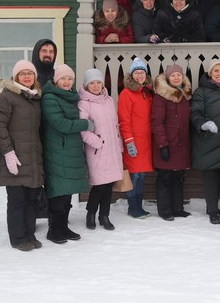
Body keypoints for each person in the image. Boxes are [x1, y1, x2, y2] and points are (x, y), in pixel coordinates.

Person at [0, 60, 45, 252]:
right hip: (15, 157)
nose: (27, 77)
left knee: (32, 199)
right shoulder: (7, 97)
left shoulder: (34, 98)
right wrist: (8, 152)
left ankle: (29, 233)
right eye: (22, 74)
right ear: (16, 77)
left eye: (30, 73)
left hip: (32, 159)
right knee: (17, 201)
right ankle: (17, 237)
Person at [41, 64, 90, 244]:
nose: (67, 81)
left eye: (70, 78)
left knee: (67, 192)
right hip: (57, 151)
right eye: (63, 78)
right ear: (56, 80)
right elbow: (61, 123)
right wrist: (85, 124)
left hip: (70, 149)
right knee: (58, 192)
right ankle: (53, 229)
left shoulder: (71, 97)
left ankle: (63, 227)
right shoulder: (49, 98)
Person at [190, 59, 220, 224]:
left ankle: (215, 206)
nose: (219, 74)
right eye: (216, 71)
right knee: (210, 178)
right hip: (208, 141)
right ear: (210, 73)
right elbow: (195, 113)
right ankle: (212, 210)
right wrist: (203, 125)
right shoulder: (201, 92)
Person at [78, 69, 124, 231]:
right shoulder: (84, 104)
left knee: (109, 184)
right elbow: (83, 129)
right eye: (92, 83)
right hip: (97, 150)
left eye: (98, 82)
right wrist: (98, 143)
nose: (96, 86)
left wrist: (119, 144)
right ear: (86, 85)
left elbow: (115, 125)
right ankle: (91, 214)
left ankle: (104, 215)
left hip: (112, 149)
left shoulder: (109, 100)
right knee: (99, 186)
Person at [152, 64, 192, 221]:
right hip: (167, 144)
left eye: (179, 75)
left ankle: (178, 209)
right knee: (165, 178)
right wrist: (163, 145)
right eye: (173, 75)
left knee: (178, 179)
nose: (176, 77)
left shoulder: (185, 96)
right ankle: (165, 210)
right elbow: (157, 122)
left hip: (181, 145)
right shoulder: (161, 97)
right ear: (168, 78)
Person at [117, 57, 153, 219]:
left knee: (142, 175)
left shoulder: (147, 93)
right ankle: (133, 207)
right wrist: (129, 141)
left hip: (146, 142)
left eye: (142, 73)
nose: (139, 76)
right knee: (135, 175)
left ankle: (139, 205)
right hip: (134, 141)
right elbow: (124, 120)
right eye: (136, 73)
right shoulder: (126, 94)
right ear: (131, 76)